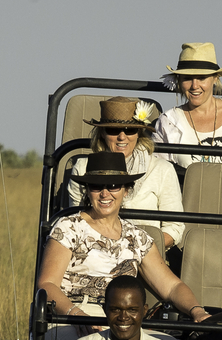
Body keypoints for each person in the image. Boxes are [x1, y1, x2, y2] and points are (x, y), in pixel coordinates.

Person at [38, 150, 209, 340]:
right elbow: (47, 283)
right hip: (71, 316)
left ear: (126, 191)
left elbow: (172, 287)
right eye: (97, 186)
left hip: (123, 317)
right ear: (87, 191)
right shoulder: (68, 227)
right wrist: (76, 314)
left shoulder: (136, 237)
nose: (105, 194)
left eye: (113, 186)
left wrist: (197, 311)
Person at [66, 98, 185, 252]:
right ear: (102, 133)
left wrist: (140, 252)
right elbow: (77, 221)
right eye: (114, 130)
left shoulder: (162, 169)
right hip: (94, 253)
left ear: (139, 133)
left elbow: (174, 228)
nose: (122, 137)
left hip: (147, 255)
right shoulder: (82, 168)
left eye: (129, 129)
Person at [152, 43, 222, 170]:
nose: (194, 86)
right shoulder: (168, 121)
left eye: (202, 78)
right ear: (179, 81)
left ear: (215, 78)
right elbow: (161, 172)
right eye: (187, 78)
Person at [60, 276, 186, 340]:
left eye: (132, 310)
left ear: (145, 311)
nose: (123, 317)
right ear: (105, 310)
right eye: (116, 309)